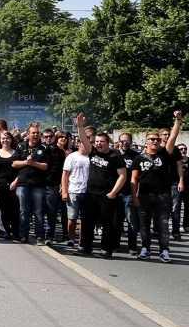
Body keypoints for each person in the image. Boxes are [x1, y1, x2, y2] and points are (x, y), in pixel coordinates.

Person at [133, 111, 183, 263]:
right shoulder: (138, 158)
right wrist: (134, 195)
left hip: (162, 195)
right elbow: (134, 178)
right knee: (144, 224)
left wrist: (177, 119)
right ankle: (145, 249)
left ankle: (164, 251)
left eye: (157, 140)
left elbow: (173, 136)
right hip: (144, 195)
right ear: (146, 141)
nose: (155, 141)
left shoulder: (165, 155)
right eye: (152, 139)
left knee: (163, 224)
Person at [76, 113, 126, 258]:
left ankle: (106, 249)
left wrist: (113, 192)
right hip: (90, 194)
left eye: (101, 141)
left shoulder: (115, 156)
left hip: (107, 195)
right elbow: (84, 140)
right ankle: (85, 247)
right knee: (87, 221)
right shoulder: (92, 153)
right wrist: (80, 126)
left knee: (107, 223)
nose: (98, 144)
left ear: (107, 142)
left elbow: (123, 176)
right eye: (96, 141)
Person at [11, 125, 50, 245]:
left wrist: (34, 163)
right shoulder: (21, 146)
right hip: (23, 184)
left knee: (38, 211)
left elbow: (46, 166)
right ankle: (23, 234)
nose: (36, 135)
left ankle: (40, 236)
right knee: (24, 210)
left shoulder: (44, 148)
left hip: (38, 184)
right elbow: (14, 163)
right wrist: (25, 162)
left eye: (37, 133)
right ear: (27, 134)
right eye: (33, 133)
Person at [60, 135, 89, 250]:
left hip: (87, 192)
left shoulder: (91, 157)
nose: (84, 144)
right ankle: (71, 240)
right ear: (78, 143)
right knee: (72, 217)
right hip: (73, 191)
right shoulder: (71, 157)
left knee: (84, 218)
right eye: (82, 142)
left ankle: (82, 242)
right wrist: (65, 191)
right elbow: (65, 175)